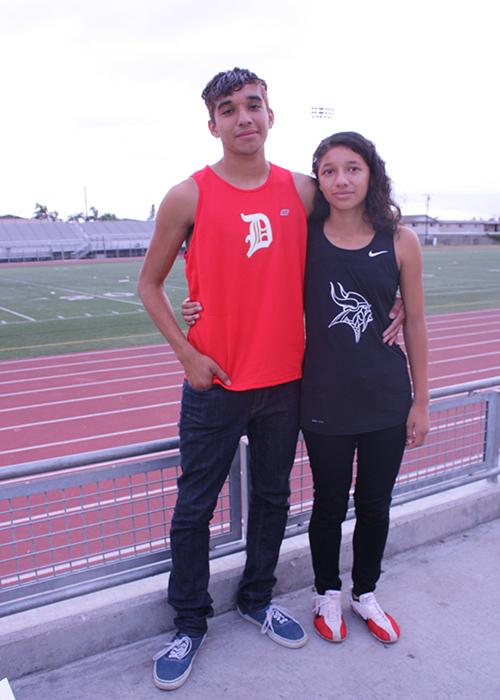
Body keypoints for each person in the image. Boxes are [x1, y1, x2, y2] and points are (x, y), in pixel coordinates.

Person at [139, 68, 403, 691]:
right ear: (213, 124)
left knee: (273, 500)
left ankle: (256, 598)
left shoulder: (304, 190)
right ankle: (189, 623)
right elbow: (149, 285)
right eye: (228, 110)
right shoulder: (189, 195)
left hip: (287, 382)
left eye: (253, 105)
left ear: (271, 114)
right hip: (216, 381)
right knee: (195, 509)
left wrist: (399, 299)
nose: (243, 118)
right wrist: (186, 352)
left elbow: (373, 224)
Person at [300, 132, 429, 646]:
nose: (341, 180)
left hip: (385, 399)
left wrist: (421, 400)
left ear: (371, 173)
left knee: (375, 503)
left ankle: (364, 592)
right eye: (328, 171)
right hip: (325, 398)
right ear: (318, 181)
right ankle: (326, 592)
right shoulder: (304, 238)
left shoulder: (399, 238)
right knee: (328, 504)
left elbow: (415, 321)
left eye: (352, 168)